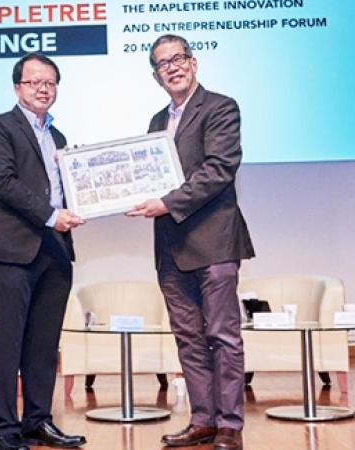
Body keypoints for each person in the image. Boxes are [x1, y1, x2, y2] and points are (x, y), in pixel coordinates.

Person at [127, 34, 255, 450]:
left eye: (178, 58)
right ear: (156, 75)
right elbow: (147, 177)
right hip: (170, 247)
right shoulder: (155, 122)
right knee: (188, 339)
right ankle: (203, 420)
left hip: (214, 242)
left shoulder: (220, 107)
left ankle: (230, 424)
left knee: (223, 336)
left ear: (194, 62)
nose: (173, 67)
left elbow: (219, 169)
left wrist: (166, 202)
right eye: (163, 63)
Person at [0, 53, 86, 450]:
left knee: (44, 342)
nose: (43, 89)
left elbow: (64, 191)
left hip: (55, 251)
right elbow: (4, 182)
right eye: (34, 82)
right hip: (14, 249)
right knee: (9, 339)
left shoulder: (59, 138)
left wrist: (83, 178)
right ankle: (4, 429)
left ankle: (38, 421)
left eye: (50, 83)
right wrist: (51, 216)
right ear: (17, 87)